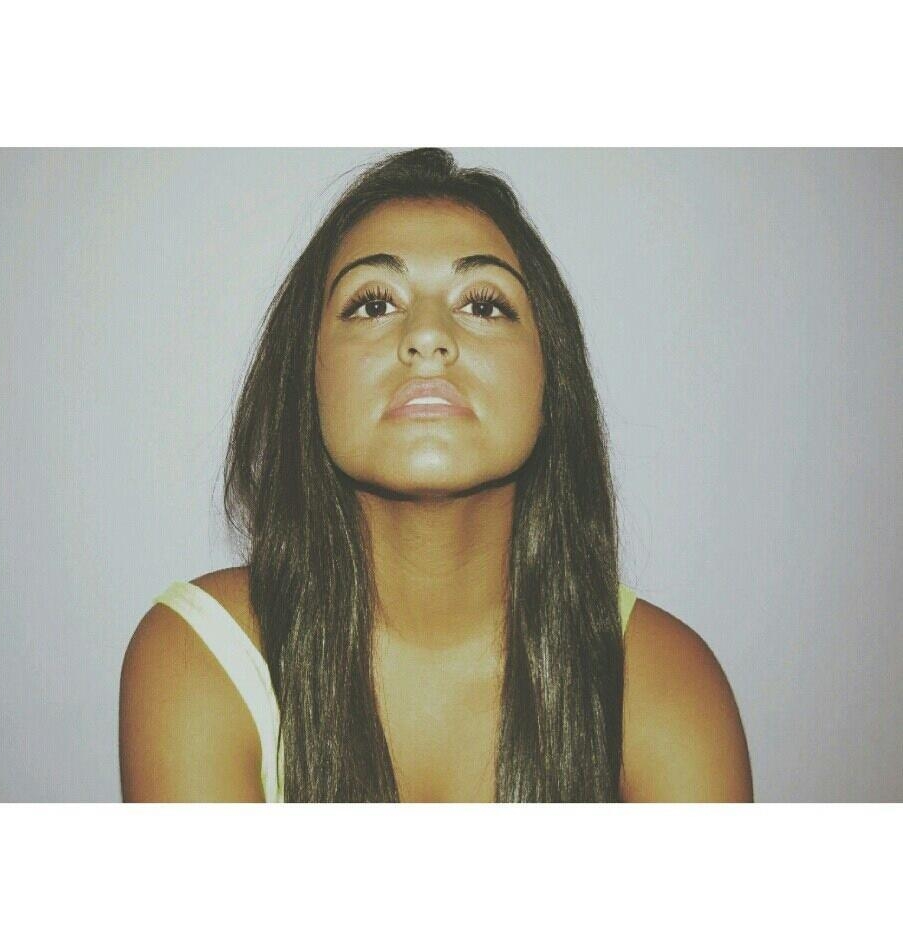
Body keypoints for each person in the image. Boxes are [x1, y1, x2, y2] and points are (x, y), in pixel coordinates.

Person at [118, 148, 753, 803]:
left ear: (550, 381)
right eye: (373, 304)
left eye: (483, 304)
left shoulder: (666, 682)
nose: (427, 335)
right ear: (307, 379)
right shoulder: (197, 658)